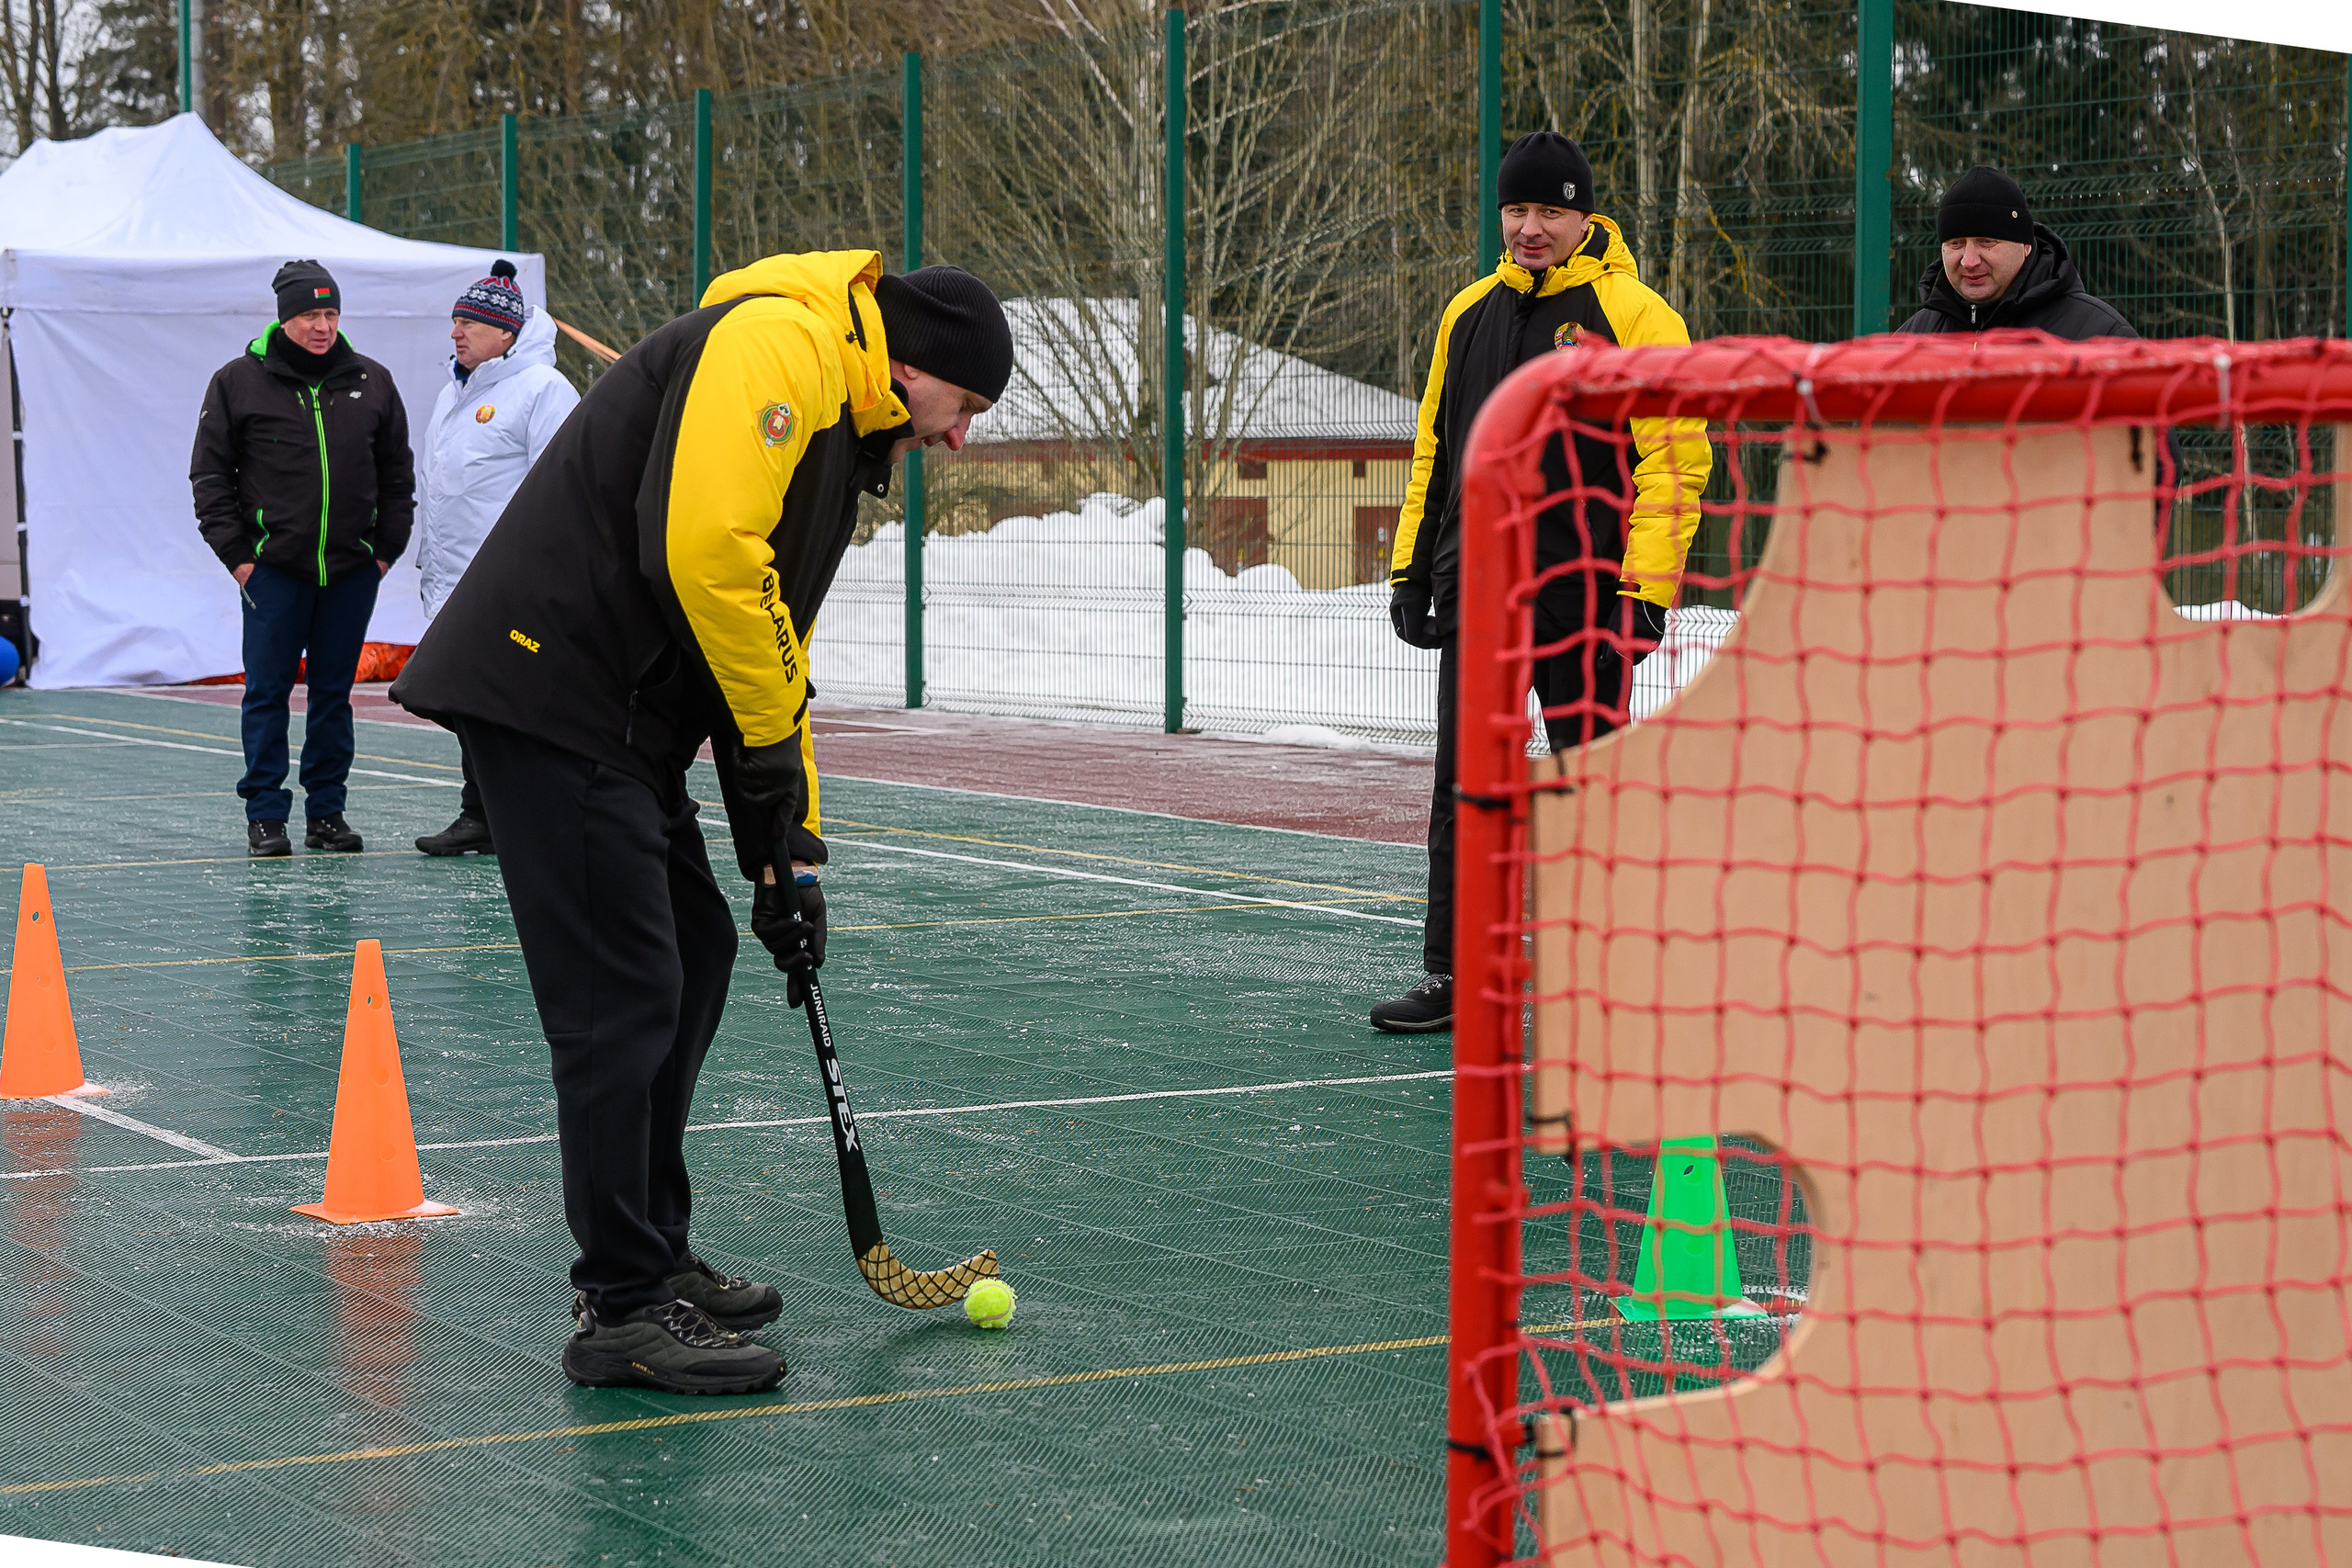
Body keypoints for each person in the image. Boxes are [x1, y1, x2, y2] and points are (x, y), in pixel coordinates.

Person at [390, 254, 1011, 1394]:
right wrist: (764, 770)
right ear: (911, 366)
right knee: (623, 992)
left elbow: (770, 646)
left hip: (616, 716)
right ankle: (621, 1307)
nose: (960, 437)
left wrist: (786, 850)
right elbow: (706, 556)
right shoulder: (781, 346)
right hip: (554, 690)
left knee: (695, 946)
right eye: (963, 404)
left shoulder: (838, 423)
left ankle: (654, 1253)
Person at [1374, 132, 1712, 1035]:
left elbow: (1674, 463)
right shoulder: (1467, 312)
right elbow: (1435, 449)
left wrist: (1645, 594)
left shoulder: (1636, 315)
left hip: (1585, 600)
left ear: (1583, 216)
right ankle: (1453, 973)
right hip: (1480, 594)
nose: (1530, 228)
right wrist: (1412, 570)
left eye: (1550, 212)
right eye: (1516, 210)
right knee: (1463, 789)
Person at [192, 260, 414, 858]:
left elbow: (398, 474)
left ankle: (327, 814)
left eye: (331, 313)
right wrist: (241, 560)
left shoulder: (372, 380)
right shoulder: (237, 382)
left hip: (351, 572)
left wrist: (383, 552)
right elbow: (210, 477)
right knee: (267, 693)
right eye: (311, 314)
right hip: (272, 574)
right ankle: (266, 816)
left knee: (332, 695)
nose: (323, 326)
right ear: (284, 318)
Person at [412, 260, 581, 857]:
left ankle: (534, 812)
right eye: (455, 321)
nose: (455, 332)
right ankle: (482, 813)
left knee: (510, 705)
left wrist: (538, 577)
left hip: (511, 587)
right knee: (467, 703)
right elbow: (440, 488)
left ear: (506, 333)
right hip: (454, 582)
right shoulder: (452, 394)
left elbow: (562, 491)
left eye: (470, 324)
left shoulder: (543, 390)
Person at [1896, 166, 2136, 339]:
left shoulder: (2099, 335)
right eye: (1956, 244)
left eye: (1987, 242)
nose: (1969, 261)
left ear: (2026, 245)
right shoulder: (1914, 339)